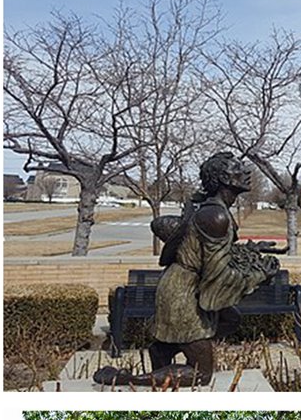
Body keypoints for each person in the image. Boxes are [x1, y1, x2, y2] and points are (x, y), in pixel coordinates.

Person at [94, 151, 279, 386]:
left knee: (230, 319)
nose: (246, 172)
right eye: (237, 169)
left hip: (183, 286)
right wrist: (260, 275)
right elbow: (217, 274)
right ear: (224, 178)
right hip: (183, 295)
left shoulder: (215, 210)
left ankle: (163, 350)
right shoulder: (216, 215)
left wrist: (253, 250)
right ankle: (127, 379)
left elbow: (213, 253)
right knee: (202, 374)